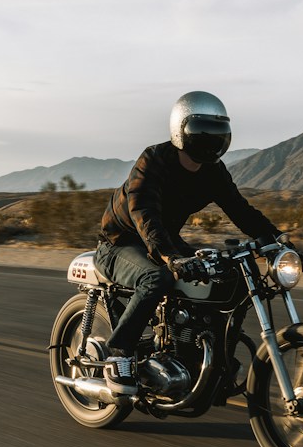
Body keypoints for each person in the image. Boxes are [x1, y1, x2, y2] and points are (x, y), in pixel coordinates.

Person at [90, 91, 281, 395]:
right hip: (120, 242)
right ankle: (119, 354)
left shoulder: (213, 172)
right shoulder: (153, 161)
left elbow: (240, 209)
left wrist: (278, 240)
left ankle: (214, 357)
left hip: (165, 240)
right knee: (157, 277)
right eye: (202, 133)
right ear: (181, 131)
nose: (210, 142)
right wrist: (169, 256)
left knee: (228, 277)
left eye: (217, 133)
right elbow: (144, 212)